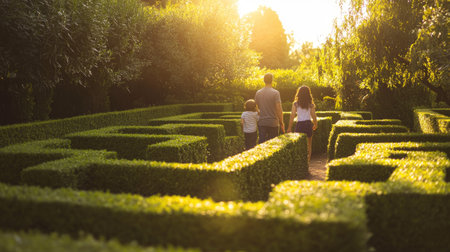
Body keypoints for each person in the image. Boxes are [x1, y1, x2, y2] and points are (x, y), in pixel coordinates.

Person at [287, 85, 318, 161]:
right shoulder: (311, 104)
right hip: (308, 124)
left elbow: (292, 116)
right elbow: (314, 116)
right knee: (309, 145)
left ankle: (299, 161)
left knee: (298, 144)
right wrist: (315, 124)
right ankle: (307, 161)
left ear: (299, 93)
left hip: (299, 125)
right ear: (308, 94)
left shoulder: (295, 104)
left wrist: (289, 127)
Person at [255, 73, 285, 144]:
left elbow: (255, 105)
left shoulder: (258, 92)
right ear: (272, 80)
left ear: (264, 80)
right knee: (273, 144)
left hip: (262, 122)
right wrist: (281, 123)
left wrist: (259, 111)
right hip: (273, 122)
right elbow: (279, 109)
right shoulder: (275, 93)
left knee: (261, 144)